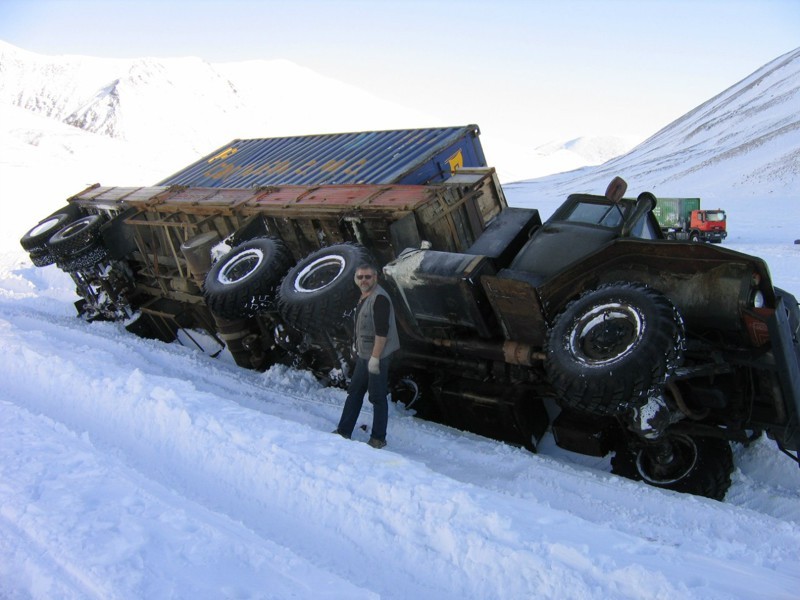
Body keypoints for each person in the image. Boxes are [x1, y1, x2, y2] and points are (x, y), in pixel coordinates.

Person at [334, 262, 399, 448]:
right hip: (365, 355)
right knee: (354, 392)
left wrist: (375, 359)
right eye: (360, 277)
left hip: (377, 356)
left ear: (375, 277)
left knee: (377, 397)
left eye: (367, 277)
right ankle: (343, 431)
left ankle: (378, 439)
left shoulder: (380, 299)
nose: (364, 280)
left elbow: (382, 333)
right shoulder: (365, 296)